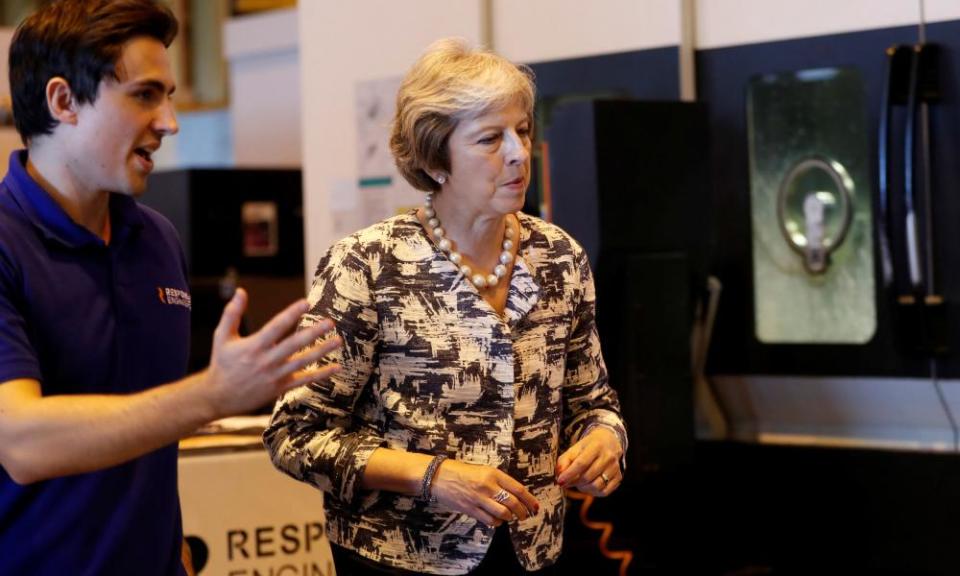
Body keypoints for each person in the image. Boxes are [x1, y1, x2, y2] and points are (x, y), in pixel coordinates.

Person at [0, 1, 341, 574]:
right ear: (63, 102)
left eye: (170, 95)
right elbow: (22, 444)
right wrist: (212, 394)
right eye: (144, 95)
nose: (169, 121)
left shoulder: (154, 239)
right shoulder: (7, 245)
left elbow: (145, 426)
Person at [264, 38, 627, 575]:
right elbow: (294, 436)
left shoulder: (559, 257)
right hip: (399, 560)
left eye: (522, 131)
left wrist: (604, 439)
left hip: (534, 554)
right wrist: (433, 476)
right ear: (436, 159)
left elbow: (593, 401)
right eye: (489, 139)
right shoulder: (366, 265)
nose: (518, 153)